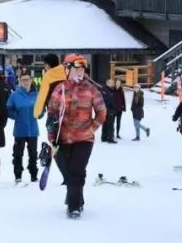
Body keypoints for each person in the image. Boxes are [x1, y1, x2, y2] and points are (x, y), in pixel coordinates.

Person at [47, 54, 106, 218]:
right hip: (62, 138)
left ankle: (73, 206)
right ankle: (77, 198)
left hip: (84, 139)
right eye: (76, 69)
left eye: (82, 69)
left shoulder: (91, 89)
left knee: (77, 171)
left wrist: (91, 129)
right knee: (67, 172)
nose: (80, 71)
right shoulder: (60, 89)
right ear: (67, 69)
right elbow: (52, 113)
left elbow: (102, 112)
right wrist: (51, 136)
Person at [7, 69, 39, 184]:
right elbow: (8, 109)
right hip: (20, 130)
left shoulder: (36, 95)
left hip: (33, 130)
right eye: (23, 80)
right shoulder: (15, 95)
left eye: (27, 80)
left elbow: (41, 109)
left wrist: (40, 114)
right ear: (20, 82)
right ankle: (18, 175)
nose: (26, 82)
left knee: (33, 154)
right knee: (18, 154)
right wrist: (17, 116)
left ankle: (34, 175)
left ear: (31, 81)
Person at [33, 53, 66, 119]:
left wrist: (37, 113)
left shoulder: (48, 75)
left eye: (44, 64)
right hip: (68, 111)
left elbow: (42, 95)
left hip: (54, 112)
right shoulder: (66, 72)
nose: (44, 67)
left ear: (47, 65)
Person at [96, 78, 118, 143]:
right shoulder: (106, 90)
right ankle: (110, 138)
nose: (112, 84)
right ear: (107, 83)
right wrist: (113, 108)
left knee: (105, 124)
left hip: (105, 110)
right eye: (110, 83)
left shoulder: (109, 90)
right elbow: (109, 100)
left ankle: (104, 137)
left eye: (112, 83)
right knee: (110, 125)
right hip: (109, 110)